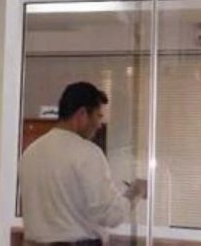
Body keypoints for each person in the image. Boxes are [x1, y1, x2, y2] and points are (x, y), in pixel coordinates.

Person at [19, 81, 146, 246]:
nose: (99, 125)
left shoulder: (30, 153)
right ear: (82, 114)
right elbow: (110, 215)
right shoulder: (87, 153)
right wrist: (136, 191)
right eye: (98, 116)